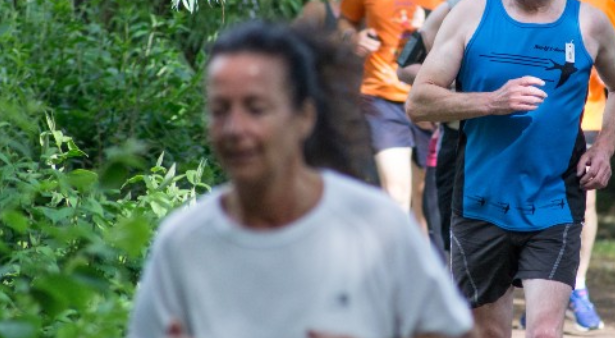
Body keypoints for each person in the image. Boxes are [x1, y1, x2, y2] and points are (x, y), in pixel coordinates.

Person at [127, 21, 474, 338]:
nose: (234, 129)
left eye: (256, 108)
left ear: (304, 117)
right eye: (219, 110)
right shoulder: (185, 242)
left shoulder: (376, 227)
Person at [406, 0, 615, 338]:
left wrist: (603, 148)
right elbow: (419, 101)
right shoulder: (470, 14)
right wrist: (493, 102)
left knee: (544, 330)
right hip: (481, 198)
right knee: (491, 332)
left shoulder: (587, 21)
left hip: (554, 198)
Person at [338, 0, 463, 233]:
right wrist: (354, 37)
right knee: (396, 195)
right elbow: (346, 19)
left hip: (430, 95)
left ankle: (418, 274)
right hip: (382, 95)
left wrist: (437, 22)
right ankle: (395, 277)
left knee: (424, 199)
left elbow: (471, 20)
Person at [397, 0, 508, 253]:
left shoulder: (537, 15)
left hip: (508, 142)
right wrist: (444, 89)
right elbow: (403, 67)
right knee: (452, 236)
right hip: (457, 139)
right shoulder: (452, 10)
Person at [546, 0, 615, 331]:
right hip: (541, 117)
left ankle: (577, 285)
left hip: (590, 113)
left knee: (586, 198)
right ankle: (544, 287)